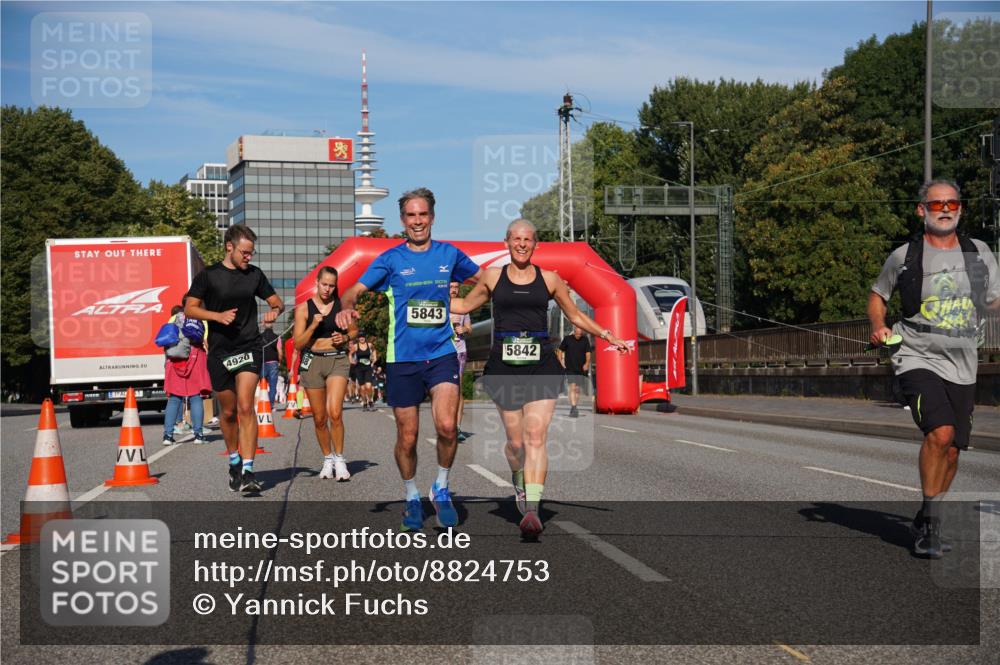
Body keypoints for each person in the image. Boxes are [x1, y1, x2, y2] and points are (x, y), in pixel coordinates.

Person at [451, 219, 629, 537]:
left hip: (541, 365)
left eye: (528, 239)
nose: (521, 244)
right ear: (506, 242)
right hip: (504, 367)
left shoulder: (550, 279)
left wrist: (607, 334)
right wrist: (420, 300)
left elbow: (574, 314)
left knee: (536, 436)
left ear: (536, 245)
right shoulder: (492, 277)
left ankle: (532, 508)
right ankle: (519, 481)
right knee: (516, 443)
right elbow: (464, 304)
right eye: (516, 238)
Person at [337, 187, 481, 531]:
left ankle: (441, 487)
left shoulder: (450, 254)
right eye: (411, 216)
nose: (418, 221)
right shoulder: (390, 260)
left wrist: (467, 305)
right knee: (408, 436)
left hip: (442, 352)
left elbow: (484, 280)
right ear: (403, 221)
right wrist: (347, 309)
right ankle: (412, 494)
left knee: (448, 426)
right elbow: (353, 291)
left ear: (432, 217)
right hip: (402, 359)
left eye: (423, 215)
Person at [868, 178, 1000, 558]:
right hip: (915, 352)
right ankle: (930, 522)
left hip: (963, 358)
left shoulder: (978, 253)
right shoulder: (905, 256)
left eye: (953, 204)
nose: (945, 209)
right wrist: (879, 325)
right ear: (921, 210)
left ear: (961, 209)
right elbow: (878, 295)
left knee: (955, 449)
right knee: (940, 434)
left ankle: (931, 513)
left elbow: (990, 303)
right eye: (937, 203)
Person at [185, 225, 284, 494]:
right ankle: (234, 461)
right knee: (227, 413)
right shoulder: (209, 276)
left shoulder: (255, 276)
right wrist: (217, 317)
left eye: (251, 253)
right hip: (219, 351)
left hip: (248, 346)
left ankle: (249, 471)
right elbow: (189, 307)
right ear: (229, 247)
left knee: (245, 407)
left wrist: (274, 311)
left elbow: (278, 302)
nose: (248, 257)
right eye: (244, 252)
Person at [293, 265, 354, 481]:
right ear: (316, 283)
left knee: (335, 412)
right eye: (324, 284)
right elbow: (298, 343)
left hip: (337, 360)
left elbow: (354, 330)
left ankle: (340, 458)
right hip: (313, 361)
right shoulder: (303, 309)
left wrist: (345, 338)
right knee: (319, 418)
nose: (327, 289)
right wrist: (312, 326)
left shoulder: (340, 306)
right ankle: (327, 458)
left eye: (331, 285)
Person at [162, 302, 210, 446]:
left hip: (175, 359)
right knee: (196, 397)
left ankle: (168, 435)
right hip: (195, 358)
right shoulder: (202, 319)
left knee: (174, 398)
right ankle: (198, 435)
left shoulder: (174, 318)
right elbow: (205, 341)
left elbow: (166, 337)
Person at [449, 281, 473, 440]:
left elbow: (470, 328)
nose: (454, 290)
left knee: (457, 390)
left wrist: (464, 329)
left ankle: (457, 427)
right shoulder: (440, 304)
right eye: (451, 287)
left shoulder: (463, 307)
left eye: (456, 287)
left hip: (459, 352)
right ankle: (446, 425)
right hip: (442, 351)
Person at [557, 325, 592, 418]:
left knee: (577, 389)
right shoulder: (567, 339)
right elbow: (560, 350)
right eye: (577, 334)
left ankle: (575, 405)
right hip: (570, 367)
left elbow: (588, 353)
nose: (578, 335)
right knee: (572, 387)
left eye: (580, 334)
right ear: (574, 332)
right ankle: (573, 407)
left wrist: (587, 363)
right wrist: (560, 361)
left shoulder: (585, 340)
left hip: (581, 368)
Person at [354, 333, 378, 411]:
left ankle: (370, 402)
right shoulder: (355, 346)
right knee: (363, 388)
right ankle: (364, 403)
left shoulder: (369, 345)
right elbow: (350, 354)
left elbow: (374, 350)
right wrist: (352, 360)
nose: (362, 338)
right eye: (360, 337)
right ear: (358, 338)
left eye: (363, 337)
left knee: (369, 386)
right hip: (359, 368)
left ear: (365, 337)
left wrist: (374, 359)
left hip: (368, 368)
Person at [261, 320, 283, 407]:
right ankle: (270, 405)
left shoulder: (259, 337)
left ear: (263, 325)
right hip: (273, 363)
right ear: (272, 325)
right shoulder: (277, 337)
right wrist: (279, 361)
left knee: (262, 385)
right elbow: (280, 352)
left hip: (262, 363)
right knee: (273, 385)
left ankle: (261, 404)